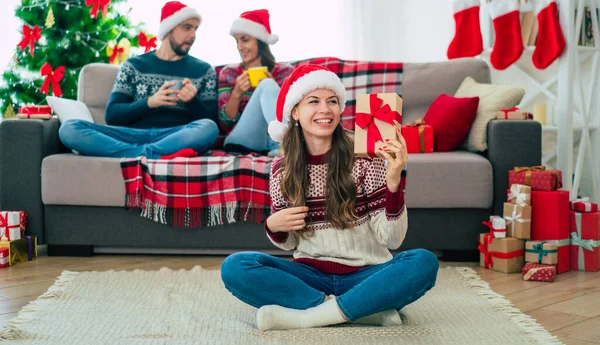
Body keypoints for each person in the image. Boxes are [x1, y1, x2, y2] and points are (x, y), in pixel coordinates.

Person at [220, 65, 439, 331]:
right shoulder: (281, 168)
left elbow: (392, 240)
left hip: (367, 273)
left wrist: (394, 182)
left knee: (422, 262)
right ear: (295, 112)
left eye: (332, 101)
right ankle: (361, 310)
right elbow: (289, 245)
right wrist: (274, 227)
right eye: (314, 101)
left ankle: (310, 316)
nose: (326, 109)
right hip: (311, 276)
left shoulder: (367, 158)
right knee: (235, 266)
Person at [59, 1, 219, 159]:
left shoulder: (203, 71)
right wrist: (149, 103)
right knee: (69, 128)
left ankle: (136, 155)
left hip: (175, 136)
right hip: (129, 136)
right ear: (169, 28)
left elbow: (211, 122)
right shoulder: (134, 66)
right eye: (187, 28)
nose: (193, 35)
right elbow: (112, 116)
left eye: (195, 29)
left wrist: (192, 101)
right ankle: (148, 154)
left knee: (209, 128)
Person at [218, 9, 293, 155]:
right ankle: (291, 147)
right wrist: (236, 94)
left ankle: (281, 149)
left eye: (245, 40)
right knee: (267, 85)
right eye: (237, 41)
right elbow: (224, 123)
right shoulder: (229, 73)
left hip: (272, 142)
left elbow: (296, 114)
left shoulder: (285, 72)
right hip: (242, 140)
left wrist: (277, 91)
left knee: (268, 85)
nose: (240, 47)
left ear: (261, 40)